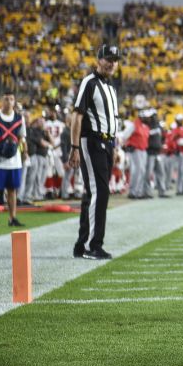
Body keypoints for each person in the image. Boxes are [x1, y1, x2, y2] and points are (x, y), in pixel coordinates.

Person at [68, 44, 121, 260]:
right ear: (98, 60)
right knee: (99, 192)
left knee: (93, 193)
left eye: (115, 60)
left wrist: (114, 146)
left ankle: (82, 244)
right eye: (108, 58)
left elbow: (112, 119)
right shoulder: (89, 83)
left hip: (106, 144)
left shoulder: (111, 87)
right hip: (92, 142)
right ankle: (93, 245)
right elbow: (77, 116)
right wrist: (74, 147)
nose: (111, 63)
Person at [0, 92, 27, 228]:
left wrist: (14, 147)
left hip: (13, 161)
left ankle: (12, 218)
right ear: (1, 101)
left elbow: (21, 136)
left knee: (12, 189)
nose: (8, 101)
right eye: (5, 99)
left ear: (14, 102)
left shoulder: (20, 118)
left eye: (11, 99)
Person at [121, 99, 151, 199]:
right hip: (136, 150)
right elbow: (124, 135)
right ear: (141, 117)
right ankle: (133, 192)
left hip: (143, 150)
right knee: (136, 171)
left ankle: (139, 191)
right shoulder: (134, 125)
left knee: (142, 171)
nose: (148, 119)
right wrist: (128, 144)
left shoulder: (145, 126)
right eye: (146, 117)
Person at [22, 111, 50, 204]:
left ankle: (27, 196)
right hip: (25, 155)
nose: (28, 119)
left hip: (32, 155)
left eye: (28, 117)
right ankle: (21, 197)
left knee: (31, 177)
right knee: (24, 178)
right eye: (26, 117)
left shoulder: (30, 129)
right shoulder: (24, 128)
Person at [145, 109, 169, 198]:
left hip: (158, 152)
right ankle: (148, 192)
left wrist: (161, 144)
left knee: (161, 173)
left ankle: (162, 191)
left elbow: (162, 136)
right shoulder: (147, 126)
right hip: (149, 152)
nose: (154, 117)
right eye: (153, 116)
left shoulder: (158, 125)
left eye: (155, 115)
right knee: (148, 174)